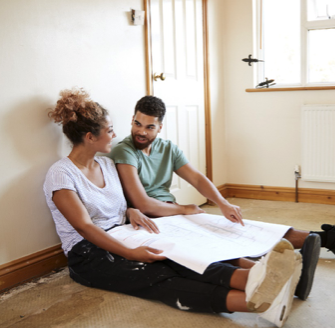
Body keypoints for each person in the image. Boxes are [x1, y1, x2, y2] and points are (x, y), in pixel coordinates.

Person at [43, 88, 304, 327]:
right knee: (159, 276)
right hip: (88, 254)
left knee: (178, 252)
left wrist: (129, 211)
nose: (114, 134)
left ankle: (255, 280)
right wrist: (131, 253)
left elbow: (116, 206)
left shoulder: (107, 166)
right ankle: (255, 301)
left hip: (121, 233)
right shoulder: (61, 174)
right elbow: (85, 227)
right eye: (109, 130)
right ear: (90, 137)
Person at [109, 95, 335, 301]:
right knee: (216, 238)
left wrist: (222, 203)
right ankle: (291, 268)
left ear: (160, 127)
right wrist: (185, 209)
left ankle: (327, 238)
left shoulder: (168, 148)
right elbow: (142, 203)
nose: (141, 131)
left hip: (172, 211)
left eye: (149, 126)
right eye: (137, 124)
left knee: (233, 224)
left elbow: (198, 179)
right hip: (152, 218)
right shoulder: (124, 150)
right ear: (132, 120)